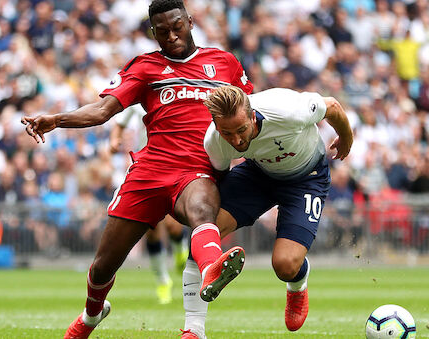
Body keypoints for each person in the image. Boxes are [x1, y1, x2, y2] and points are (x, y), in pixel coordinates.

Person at [21, 1, 253, 338]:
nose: (172, 36)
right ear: (153, 32)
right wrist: (57, 119)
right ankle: (91, 315)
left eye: (177, 26)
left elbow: (251, 111)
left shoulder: (224, 63)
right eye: (163, 31)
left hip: (197, 169)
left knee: (203, 210)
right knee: (103, 266)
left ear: (190, 21)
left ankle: (211, 270)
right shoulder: (145, 67)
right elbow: (102, 111)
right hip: (150, 171)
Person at [179, 85, 353, 338]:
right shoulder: (214, 141)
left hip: (306, 179)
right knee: (204, 230)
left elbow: (333, 106)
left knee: (284, 265)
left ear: (252, 116)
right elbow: (218, 179)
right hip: (257, 175)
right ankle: (194, 330)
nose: (236, 140)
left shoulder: (288, 110)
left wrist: (346, 136)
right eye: (227, 133)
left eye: (241, 130)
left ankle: (298, 282)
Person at [109, 105, 189, 304]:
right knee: (152, 230)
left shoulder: (176, 92)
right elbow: (119, 123)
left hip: (174, 164)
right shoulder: (139, 98)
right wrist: (114, 140)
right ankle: (163, 281)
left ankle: (181, 250)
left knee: (173, 225)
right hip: (148, 167)